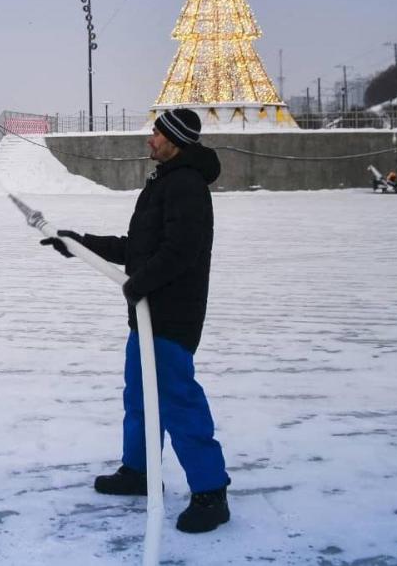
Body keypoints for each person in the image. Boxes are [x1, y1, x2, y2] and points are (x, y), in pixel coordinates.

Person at [40, 107, 231, 534]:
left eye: (157, 134)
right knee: (140, 397)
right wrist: (79, 244)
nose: (150, 139)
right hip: (147, 314)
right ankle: (140, 471)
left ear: (174, 140)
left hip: (171, 316)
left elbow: (182, 251)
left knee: (178, 400)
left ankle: (211, 492)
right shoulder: (164, 182)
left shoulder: (186, 186)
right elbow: (139, 247)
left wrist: (137, 284)